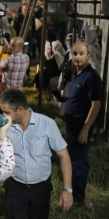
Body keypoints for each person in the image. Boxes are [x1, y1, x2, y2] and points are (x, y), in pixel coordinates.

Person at [0, 88, 73, 218]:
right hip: (15, 186)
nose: (3, 116)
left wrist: (67, 190)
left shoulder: (47, 124)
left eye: (6, 112)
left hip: (41, 189)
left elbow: (63, 155)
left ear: (20, 109)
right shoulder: (4, 128)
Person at [57, 42, 101, 205]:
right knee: (72, 159)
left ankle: (78, 198)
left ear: (88, 56)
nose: (77, 56)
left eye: (81, 53)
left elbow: (96, 105)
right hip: (71, 125)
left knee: (79, 161)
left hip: (81, 127)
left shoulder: (92, 77)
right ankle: (72, 192)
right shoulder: (75, 74)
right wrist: (59, 98)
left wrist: (85, 129)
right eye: (74, 53)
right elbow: (71, 97)